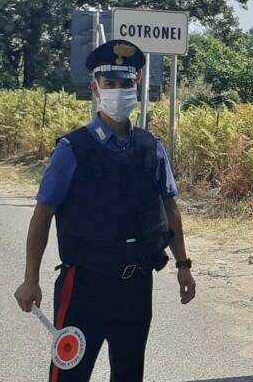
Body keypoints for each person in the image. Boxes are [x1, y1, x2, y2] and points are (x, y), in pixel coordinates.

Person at [13, 39, 196, 382]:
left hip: (136, 286)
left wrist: (183, 265)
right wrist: (31, 279)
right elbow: (42, 215)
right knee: (69, 376)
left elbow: (170, 208)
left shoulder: (151, 148)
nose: (117, 91)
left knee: (129, 375)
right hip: (84, 286)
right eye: (109, 84)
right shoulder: (72, 149)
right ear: (95, 88)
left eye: (125, 83)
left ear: (137, 84)